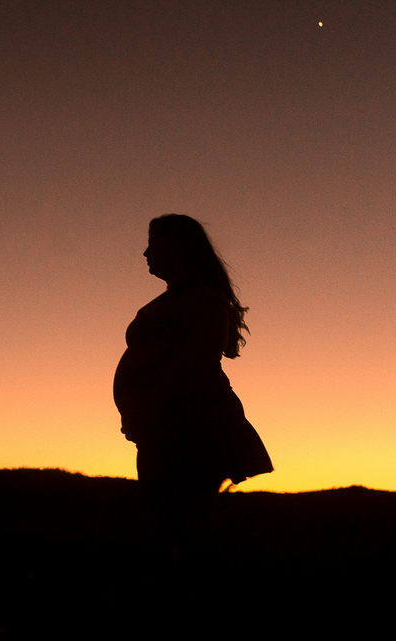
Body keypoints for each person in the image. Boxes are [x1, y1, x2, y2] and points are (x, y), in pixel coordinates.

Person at [113, 214, 272, 561]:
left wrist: (148, 410)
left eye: (153, 244)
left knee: (187, 530)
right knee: (174, 527)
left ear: (178, 248)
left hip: (189, 427)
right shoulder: (182, 297)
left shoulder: (204, 298)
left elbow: (196, 363)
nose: (146, 253)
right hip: (165, 427)